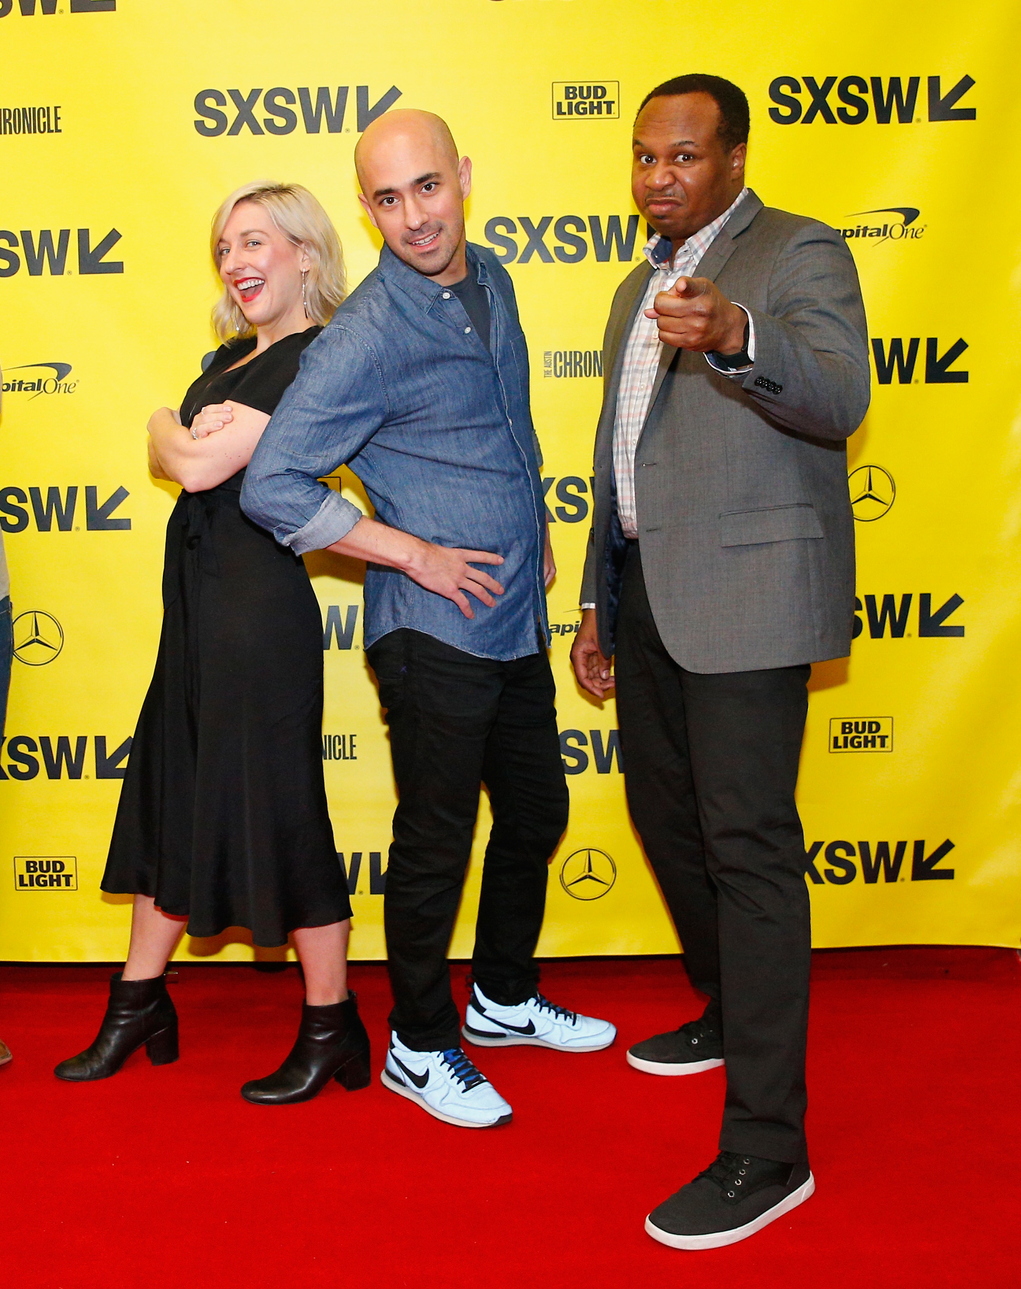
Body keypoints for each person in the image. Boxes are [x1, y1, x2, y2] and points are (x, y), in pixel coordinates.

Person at [242, 110, 616, 1131]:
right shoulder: (366, 332)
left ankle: (497, 998)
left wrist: (531, 518)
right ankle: (419, 1040)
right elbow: (273, 482)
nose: (414, 216)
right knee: (436, 842)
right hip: (430, 628)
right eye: (388, 198)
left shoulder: (492, 277)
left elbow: (512, 418)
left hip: (510, 614)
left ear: (463, 174)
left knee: (537, 814)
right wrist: (408, 549)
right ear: (366, 211)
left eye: (427, 187)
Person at [569, 75, 869, 1248]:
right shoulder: (629, 287)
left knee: (747, 846)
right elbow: (619, 458)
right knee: (667, 814)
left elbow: (840, 392)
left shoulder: (799, 252)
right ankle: (732, 1006)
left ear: (735, 159)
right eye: (645, 157)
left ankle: (768, 1145)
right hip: (644, 596)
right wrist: (598, 598)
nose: (658, 177)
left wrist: (740, 336)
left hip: (748, 598)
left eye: (682, 157)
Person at [54, 182, 369, 1104]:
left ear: (307, 252)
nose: (236, 261)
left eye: (257, 241)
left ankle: (330, 1019)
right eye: (225, 246)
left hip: (257, 621)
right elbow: (181, 447)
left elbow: (188, 463)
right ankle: (138, 1000)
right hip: (194, 613)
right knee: (170, 796)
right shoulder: (227, 363)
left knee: (281, 810)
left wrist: (170, 429)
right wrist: (171, 423)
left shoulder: (326, 360)